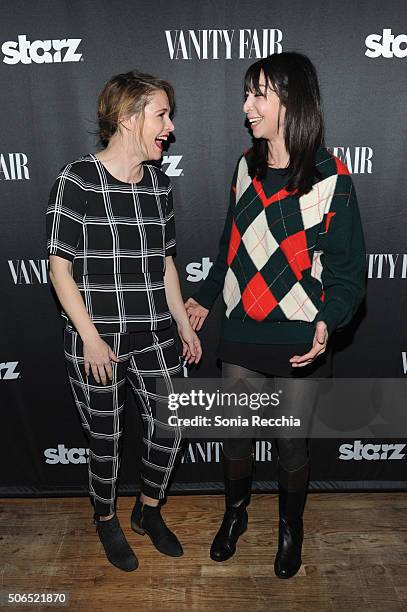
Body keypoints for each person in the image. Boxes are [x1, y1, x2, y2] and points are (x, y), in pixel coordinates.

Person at [185, 52, 366, 579]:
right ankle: (235, 513)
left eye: (258, 94)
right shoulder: (246, 166)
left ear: (291, 101)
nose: (246, 107)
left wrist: (328, 321)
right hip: (241, 329)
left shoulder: (332, 178)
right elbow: (230, 245)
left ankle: (291, 528)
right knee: (236, 435)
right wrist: (205, 293)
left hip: (298, 336)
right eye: (248, 94)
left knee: (290, 442)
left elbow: (349, 272)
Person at [46, 71, 201, 572]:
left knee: (168, 428)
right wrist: (90, 339)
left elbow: (165, 262)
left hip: (154, 333)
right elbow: (60, 269)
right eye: (161, 115)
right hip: (99, 341)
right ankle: (107, 518)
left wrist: (183, 323)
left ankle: (148, 511)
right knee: (106, 438)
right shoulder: (77, 180)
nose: (169, 127)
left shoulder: (158, 183)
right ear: (130, 118)